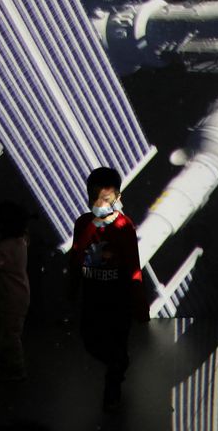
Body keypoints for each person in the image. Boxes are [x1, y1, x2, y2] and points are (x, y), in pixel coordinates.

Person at [68, 167, 149, 412]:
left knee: (116, 344)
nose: (98, 203)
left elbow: (133, 266)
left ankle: (113, 385)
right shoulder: (82, 223)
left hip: (118, 300)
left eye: (105, 198)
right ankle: (117, 366)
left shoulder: (124, 226)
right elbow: (75, 257)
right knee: (91, 341)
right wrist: (72, 289)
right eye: (94, 197)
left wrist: (138, 303)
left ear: (117, 198)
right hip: (92, 298)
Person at [0, 201, 32, 381]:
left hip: (12, 297)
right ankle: (7, 360)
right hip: (17, 296)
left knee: (11, 333)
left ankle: (17, 368)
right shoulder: (20, 242)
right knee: (8, 330)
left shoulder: (8, 246)